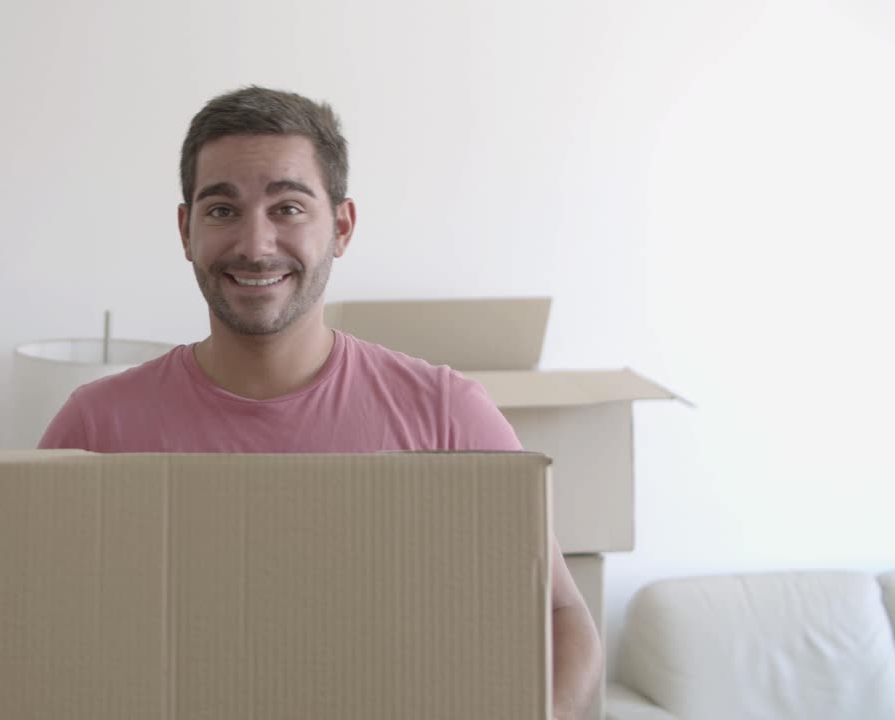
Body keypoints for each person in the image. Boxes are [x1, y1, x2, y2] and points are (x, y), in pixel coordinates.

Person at [39, 85, 601, 719]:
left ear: (341, 226)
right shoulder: (95, 426)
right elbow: (30, 635)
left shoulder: (447, 414)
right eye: (222, 209)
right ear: (186, 229)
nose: (255, 244)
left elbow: (560, 617)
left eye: (288, 207)